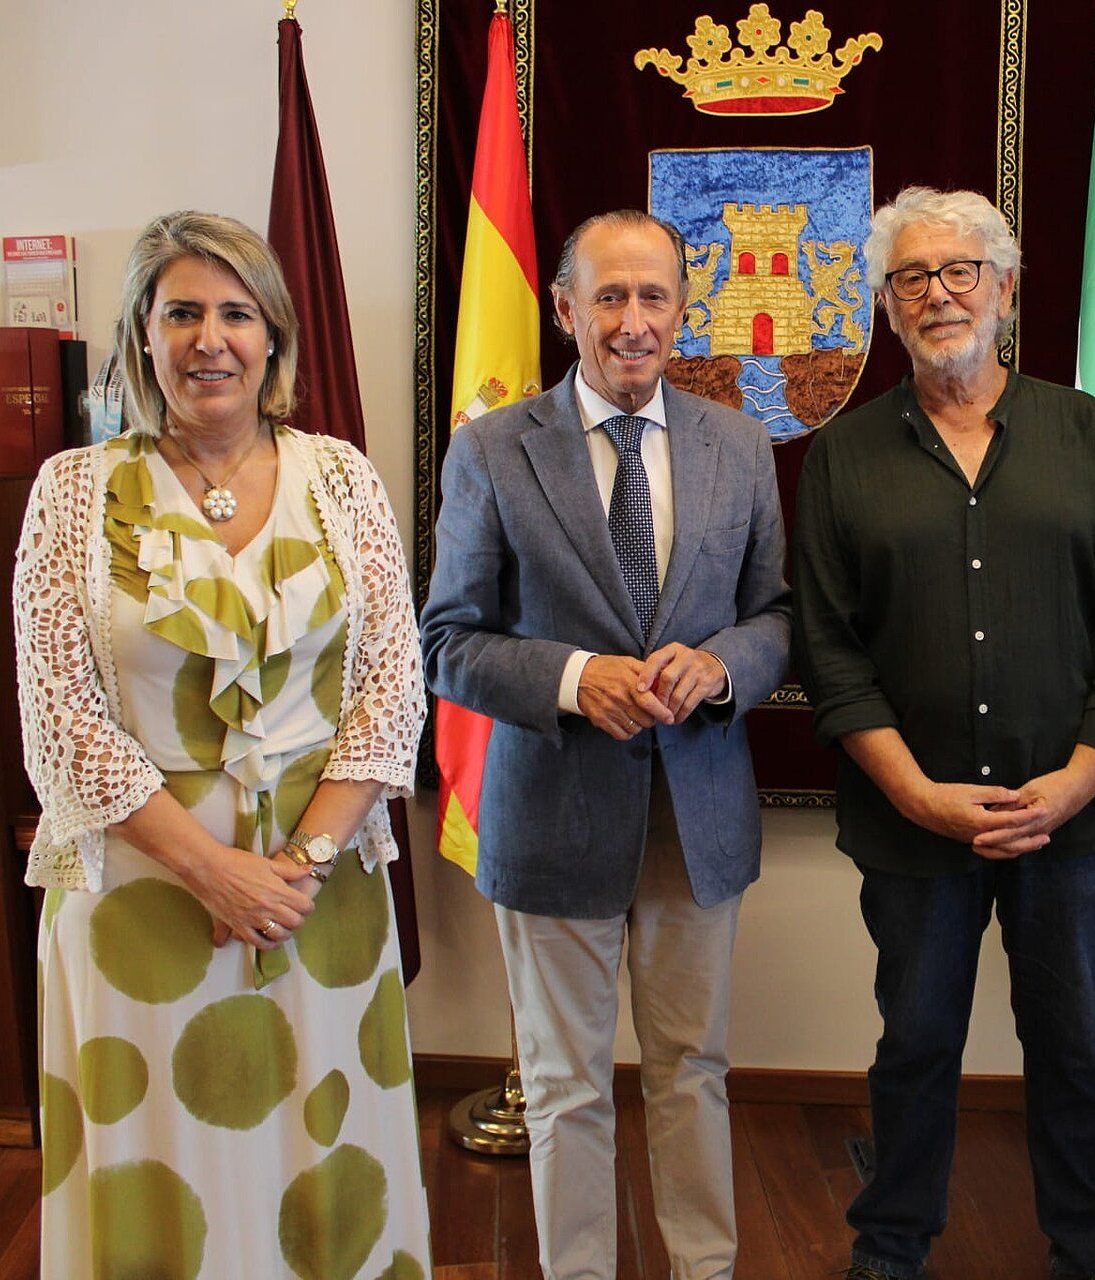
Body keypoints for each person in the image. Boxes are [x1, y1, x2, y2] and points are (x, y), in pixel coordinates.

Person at [13, 210, 429, 1278]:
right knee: (163, 1162)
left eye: (236, 312)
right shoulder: (73, 491)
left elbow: (390, 683)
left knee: (321, 1149)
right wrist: (212, 872)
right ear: (141, 335)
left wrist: (294, 869)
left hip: (319, 888)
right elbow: (60, 716)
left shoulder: (341, 478)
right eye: (182, 311)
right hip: (144, 891)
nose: (211, 337)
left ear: (274, 336)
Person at [791, 186, 1095, 1280]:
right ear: (886, 304)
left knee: (1073, 1052)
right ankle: (891, 1248)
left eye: (962, 272)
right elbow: (829, 646)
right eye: (914, 278)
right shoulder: (843, 455)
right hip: (913, 828)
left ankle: (1093, 1252)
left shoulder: (1087, 431)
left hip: (1072, 824)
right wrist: (914, 792)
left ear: (1004, 287)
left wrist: (1081, 778)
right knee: (914, 1048)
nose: (940, 294)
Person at [420, 208, 790, 1280]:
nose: (634, 321)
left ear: (684, 308)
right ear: (566, 308)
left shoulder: (738, 444)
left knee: (694, 1068)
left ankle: (703, 1268)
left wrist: (720, 666)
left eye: (654, 297)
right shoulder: (492, 449)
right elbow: (447, 640)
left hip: (698, 817)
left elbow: (774, 616)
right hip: (551, 817)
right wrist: (576, 680)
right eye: (611, 297)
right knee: (566, 1081)